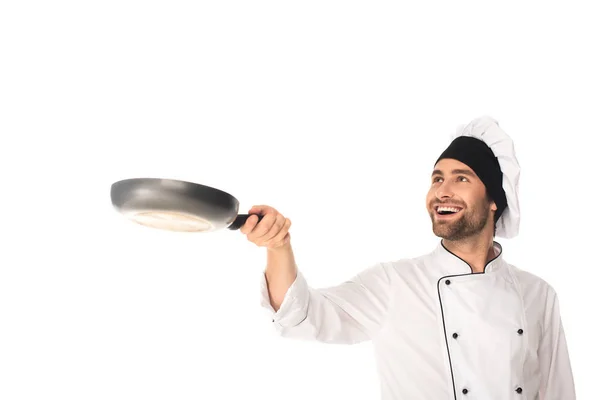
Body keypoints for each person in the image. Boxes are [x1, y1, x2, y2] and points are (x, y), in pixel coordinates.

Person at [240, 116, 576, 400]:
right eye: (437, 178)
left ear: (494, 201)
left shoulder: (538, 294)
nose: (442, 191)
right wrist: (279, 246)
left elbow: (557, 391)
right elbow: (302, 315)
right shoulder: (394, 283)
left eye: (461, 178)